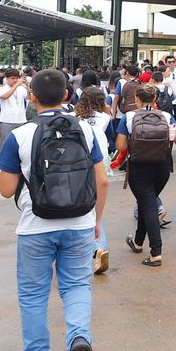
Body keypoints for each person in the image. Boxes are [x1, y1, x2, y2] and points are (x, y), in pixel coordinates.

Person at [0, 69, 107, 351]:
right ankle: (79, 340)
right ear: (67, 96)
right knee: (76, 286)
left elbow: (5, 189)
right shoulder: (84, 129)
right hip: (81, 223)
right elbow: (101, 179)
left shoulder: (21, 134)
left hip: (36, 226)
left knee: (33, 294)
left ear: (32, 98)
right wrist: (96, 221)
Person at [115, 84, 176, 268]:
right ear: (156, 99)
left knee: (148, 206)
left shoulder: (129, 117)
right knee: (146, 202)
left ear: (136, 100)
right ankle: (138, 242)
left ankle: (156, 252)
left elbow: (120, 146)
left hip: (139, 168)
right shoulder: (167, 116)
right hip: (162, 168)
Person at [74, 86, 113, 276]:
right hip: (101, 164)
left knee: (83, 206)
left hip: (81, 166)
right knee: (98, 209)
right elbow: (112, 142)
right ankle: (99, 247)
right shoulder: (105, 119)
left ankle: (94, 249)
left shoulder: (76, 119)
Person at [0, 69, 30, 146]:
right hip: (7, 120)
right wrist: (16, 85)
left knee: (21, 144)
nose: (15, 80)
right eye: (13, 78)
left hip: (21, 120)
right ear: (7, 78)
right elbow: (5, 96)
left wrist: (27, 86)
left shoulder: (21, 88)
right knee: (5, 144)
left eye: (17, 78)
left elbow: (29, 98)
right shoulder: (1, 89)